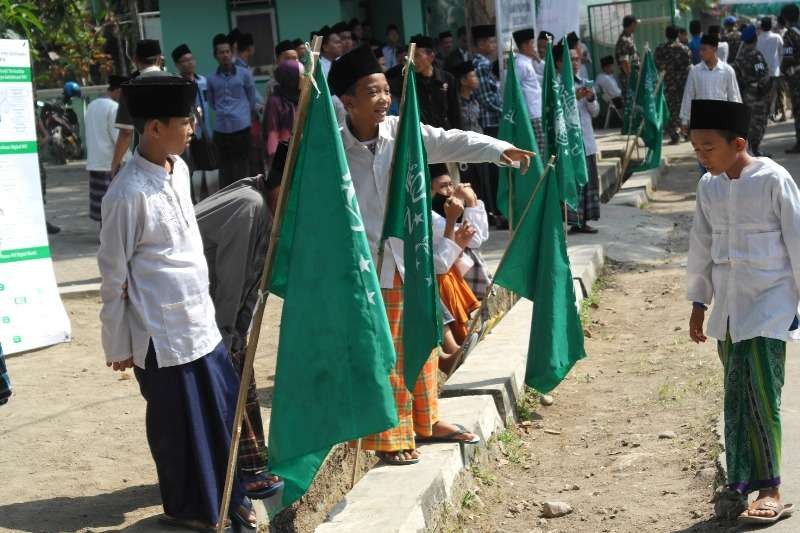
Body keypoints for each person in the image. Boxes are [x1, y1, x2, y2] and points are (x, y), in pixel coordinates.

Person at [328, 44, 533, 465]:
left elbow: (451, 141)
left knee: (420, 344)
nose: (384, 99)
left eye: (386, 89)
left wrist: (499, 150)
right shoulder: (331, 148)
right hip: (369, 265)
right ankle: (391, 435)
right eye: (372, 92)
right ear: (347, 101)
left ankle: (427, 419)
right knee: (386, 352)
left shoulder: (402, 133)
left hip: (413, 258)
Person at [98, 75, 257, 530]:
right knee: (181, 430)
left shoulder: (180, 169)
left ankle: (231, 498)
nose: (192, 129)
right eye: (184, 122)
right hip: (160, 336)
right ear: (152, 128)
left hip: (200, 322)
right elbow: (113, 276)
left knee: (221, 414)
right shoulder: (125, 194)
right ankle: (193, 510)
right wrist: (118, 345)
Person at [687, 98, 798, 526]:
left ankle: (770, 486)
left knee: (763, 395)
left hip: (770, 303)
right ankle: (739, 483)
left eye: (708, 147)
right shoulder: (708, 187)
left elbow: (798, 240)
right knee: (735, 395)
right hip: (729, 310)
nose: (701, 156)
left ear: (738, 143)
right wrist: (699, 302)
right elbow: (700, 246)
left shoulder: (774, 179)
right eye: (696, 148)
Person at [194, 143, 288, 501]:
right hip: (201, 312)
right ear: (281, 185)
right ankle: (237, 473)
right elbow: (231, 283)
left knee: (239, 368)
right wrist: (228, 339)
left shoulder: (263, 199)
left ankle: (247, 466)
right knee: (224, 381)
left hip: (219, 314)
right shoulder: (251, 206)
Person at [207, 33, 258, 189]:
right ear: (215, 55)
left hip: (241, 127)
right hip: (221, 128)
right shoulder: (211, 79)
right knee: (225, 167)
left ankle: (244, 194)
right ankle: (228, 198)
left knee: (242, 165)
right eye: (221, 52)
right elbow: (212, 102)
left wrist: (241, 114)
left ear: (232, 53)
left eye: (228, 51)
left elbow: (251, 97)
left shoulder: (245, 74)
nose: (225, 55)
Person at [559, 46, 600, 233]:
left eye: (577, 60)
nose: (575, 63)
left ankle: (584, 221)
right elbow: (560, 110)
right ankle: (574, 221)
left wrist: (590, 98)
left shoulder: (584, 82)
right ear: (561, 63)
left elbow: (595, 112)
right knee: (574, 181)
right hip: (570, 143)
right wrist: (574, 97)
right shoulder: (558, 84)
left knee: (588, 179)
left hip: (586, 140)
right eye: (571, 60)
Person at [110, 39, 163, 176]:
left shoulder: (130, 88)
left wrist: (115, 163)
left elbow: (126, 132)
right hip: (174, 156)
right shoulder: (178, 82)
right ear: (159, 60)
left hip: (146, 159)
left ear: (135, 60)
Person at [471, 24, 505, 227]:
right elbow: (486, 98)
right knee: (494, 171)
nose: (493, 45)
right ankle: (496, 214)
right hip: (490, 123)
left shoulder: (483, 62)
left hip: (491, 122)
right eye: (490, 41)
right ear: (481, 43)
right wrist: (507, 111)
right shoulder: (482, 64)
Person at [172, 43, 214, 202]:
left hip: (205, 131)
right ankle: (189, 201)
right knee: (187, 169)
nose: (189, 63)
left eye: (191, 59)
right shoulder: (176, 85)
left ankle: (206, 201)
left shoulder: (203, 81)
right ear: (177, 64)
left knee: (207, 169)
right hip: (186, 135)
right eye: (184, 61)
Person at [86, 75, 127, 227]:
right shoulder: (114, 108)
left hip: (94, 161)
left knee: (101, 202)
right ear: (118, 90)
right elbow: (118, 137)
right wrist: (121, 160)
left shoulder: (92, 105)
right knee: (113, 202)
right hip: (111, 162)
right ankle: (111, 235)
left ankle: (103, 232)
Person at [679, 34, 742, 134]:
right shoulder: (695, 71)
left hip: (721, 119)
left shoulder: (727, 71)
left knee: (721, 148)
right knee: (703, 148)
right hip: (701, 120)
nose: (700, 53)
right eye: (700, 49)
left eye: (704, 49)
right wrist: (685, 120)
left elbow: (733, 95)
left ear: (714, 49)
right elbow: (688, 95)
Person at [732, 25, 771, 157]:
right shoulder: (756, 55)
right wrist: (764, 88)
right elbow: (762, 74)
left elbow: (736, 78)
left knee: (748, 122)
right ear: (754, 39)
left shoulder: (739, 58)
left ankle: (751, 150)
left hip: (744, 93)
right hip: (757, 93)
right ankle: (755, 149)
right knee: (759, 121)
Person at [410, 34, 461, 129]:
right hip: (423, 135)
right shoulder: (410, 81)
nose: (413, 60)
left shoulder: (447, 79)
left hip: (446, 134)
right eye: (411, 56)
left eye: (417, 55)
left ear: (431, 57)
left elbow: (455, 112)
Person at [655, 25, 692, 144]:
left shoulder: (661, 49)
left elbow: (657, 65)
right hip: (684, 85)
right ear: (678, 35)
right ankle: (687, 134)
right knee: (685, 108)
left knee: (671, 110)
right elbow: (689, 66)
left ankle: (674, 135)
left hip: (669, 85)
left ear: (666, 35)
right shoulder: (685, 49)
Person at [263, 60, 301, 166]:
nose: (304, 78)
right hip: (283, 154)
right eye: (300, 75)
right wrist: (273, 158)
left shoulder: (303, 97)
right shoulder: (275, 101)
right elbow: (272, 131)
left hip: (301, 149)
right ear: (291, 77)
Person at [513, 28, 544, 153]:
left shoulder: (527, 62)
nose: (534, 48)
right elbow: (516, 89)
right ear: (525, 46)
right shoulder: (521, 64)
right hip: (532, 114)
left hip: (537, 111)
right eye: (532, 44)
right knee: (538, 150)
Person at [781, 3, 800, 153]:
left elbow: (788, 57)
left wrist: (783, 70)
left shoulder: (789, 34)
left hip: (797, 78)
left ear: (785, 18)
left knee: (798, 110)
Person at [757, 17, 784, 121]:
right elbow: (782, 52)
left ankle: (765, 115)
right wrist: (780, 65)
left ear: (761, 27)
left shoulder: (758, 38)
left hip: (762, 72)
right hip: (774, 70)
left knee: (763, 94)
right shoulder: (777, 37)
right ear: (771, 26)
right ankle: (771, 114)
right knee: (773, 95)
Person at [615, 14, 640, 100]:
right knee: (631, 102)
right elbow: (623, 61)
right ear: (632, 24)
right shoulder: (624, 40)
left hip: (634, 75)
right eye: (635, 24)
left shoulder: (629, 37)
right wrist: (631, 77)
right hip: (629, 78)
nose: (636, 27)